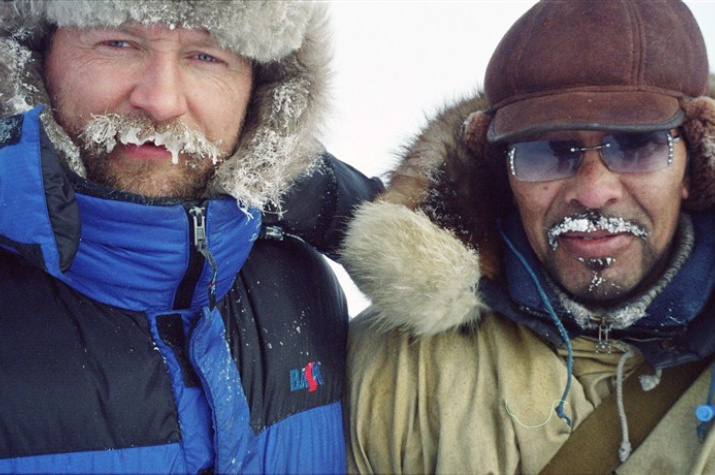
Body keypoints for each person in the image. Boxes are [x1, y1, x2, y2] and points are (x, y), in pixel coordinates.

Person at [0, 1, 382, 473]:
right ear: (33, 55)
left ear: (263, 88)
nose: (160, 101)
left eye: (206, 56)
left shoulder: (300, 285)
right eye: (117, 43)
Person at [343, 0, 715, 472]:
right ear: (505, 176)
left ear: (696, 166)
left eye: (636, 146)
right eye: (548, 152)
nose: (593, 191)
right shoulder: (399, 367)